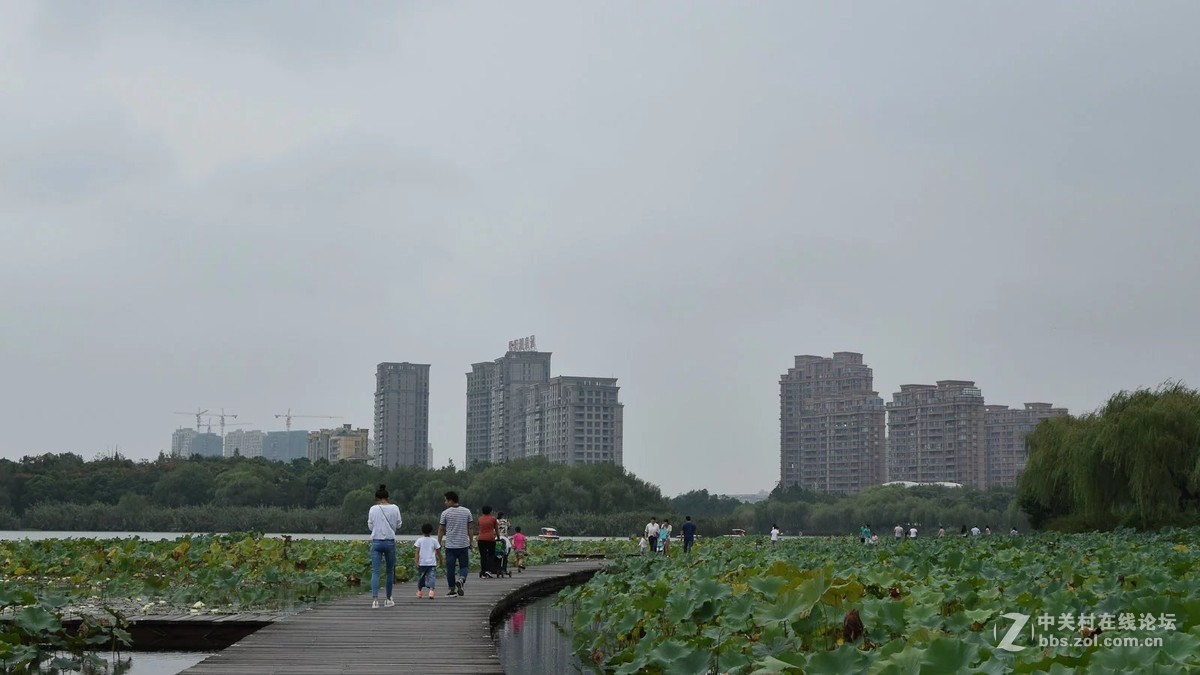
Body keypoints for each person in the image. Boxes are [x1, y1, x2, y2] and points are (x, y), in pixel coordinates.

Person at [367, 484, 402, 608]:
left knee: (375, 572)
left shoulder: (373, 509)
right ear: (387, 497)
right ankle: (388, 599)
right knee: (389, 572)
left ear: (377, 498)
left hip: (376, 542)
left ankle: (375, 600)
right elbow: (399, 525)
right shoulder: (395, 508)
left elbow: (370, 526)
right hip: (389, 542)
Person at [438, 491, 474, 597]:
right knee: (464, 566)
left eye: (446, 500)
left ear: (451, 500)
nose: (445, 502)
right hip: (463, 544)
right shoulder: (467, 511)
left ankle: (452, 590)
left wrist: (438, 543)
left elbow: (441, 529)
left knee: (450, 568)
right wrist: (471, 541)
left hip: (450, 546)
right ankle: (461, 579)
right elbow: (470, 528)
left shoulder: (445, 513)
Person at [413, 523, 442, 599]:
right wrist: (441, 559)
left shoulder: (419, 540)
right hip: (432, 563)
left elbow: (417, 552)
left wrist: (416, 561)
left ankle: (419, 591)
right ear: (431, 531)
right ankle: (431, 591)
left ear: (422, 531)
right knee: (432, 577)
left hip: (422, 563)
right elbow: (438, 551)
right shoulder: (434, 540)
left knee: (421, 577)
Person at [477, 505, 500, 578]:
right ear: (490, 511)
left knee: (483, 556)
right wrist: (498, 538)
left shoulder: (480, 519)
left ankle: (483, 572)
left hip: (481, 539)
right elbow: (496, 529)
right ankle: (488, 570)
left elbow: (479, 528)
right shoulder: (493, 519)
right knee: (491, 555)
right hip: (490, 539)